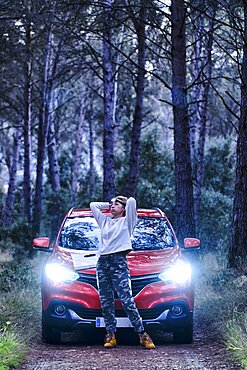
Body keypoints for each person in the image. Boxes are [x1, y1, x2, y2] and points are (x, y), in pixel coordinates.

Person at [90, 196, 155, 349]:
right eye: (111, 204)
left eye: (116, 204)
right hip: (103, 262)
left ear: (124, 208)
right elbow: (93, 205)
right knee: (106, 301)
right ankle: (110, 335)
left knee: (126, 300)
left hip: (118, 262)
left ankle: (142, 334)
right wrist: (110, 203)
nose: (112, 206)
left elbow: (132, 201)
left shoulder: (127, 222)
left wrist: (122, 200)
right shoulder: (105, 221)